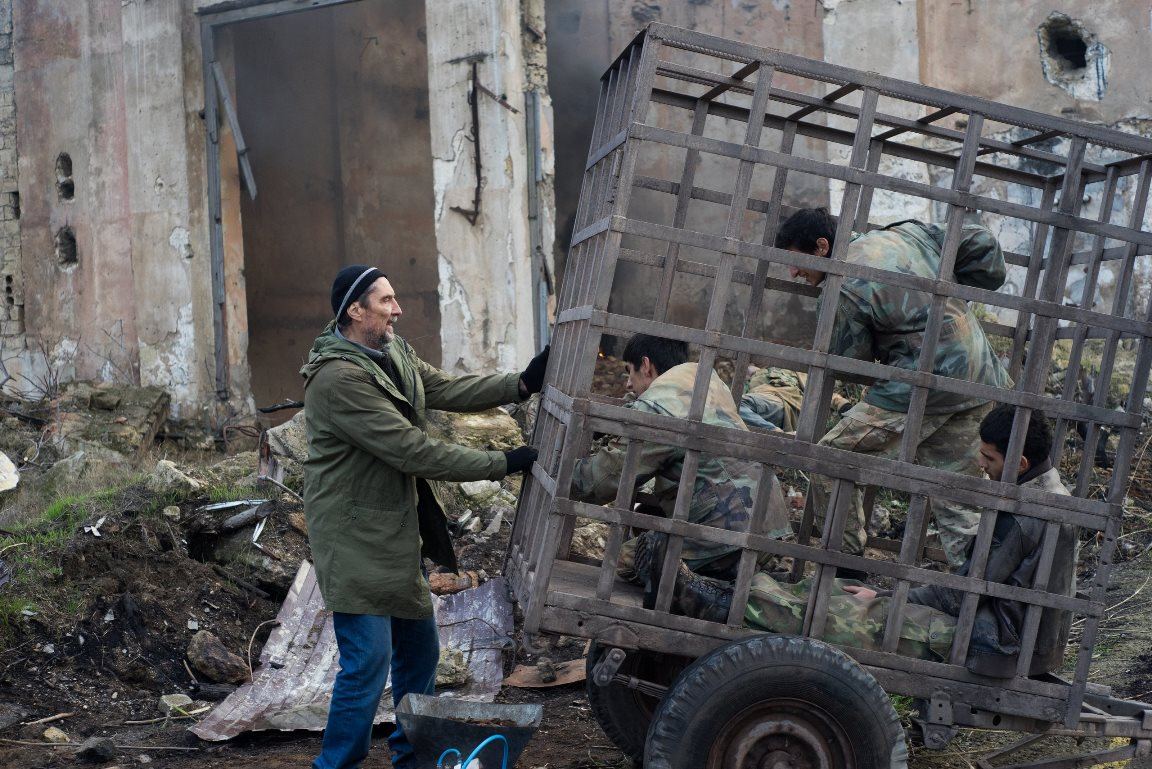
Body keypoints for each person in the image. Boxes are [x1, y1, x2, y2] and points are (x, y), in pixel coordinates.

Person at [301, 265, 548, 769]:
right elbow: (411, 450)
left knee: (419, 653)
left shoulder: (390, 351)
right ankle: (335, 765)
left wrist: (520, 384)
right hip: (352, 537)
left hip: (394, 529)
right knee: (367, 663)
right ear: (355, 310)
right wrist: (501, 462)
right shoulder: (338, 379)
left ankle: (412, 758)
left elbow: (443, 388)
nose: (397, 310)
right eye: (386, 301)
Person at [676, 404, 1077, 676]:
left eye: (989, 459)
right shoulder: (1046, 493)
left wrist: (887, 597)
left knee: (844, 614)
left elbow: (961, 595)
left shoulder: (1025, 515)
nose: (981, 465)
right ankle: (732, 594)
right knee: (838, 592)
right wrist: (885, 594)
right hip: (1002, 629)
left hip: (995, 642)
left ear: (1020, 463)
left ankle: (721, 604)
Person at [779, 208, 1012, 569]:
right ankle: (978, 582)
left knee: (830, 460)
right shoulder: (903, 233)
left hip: (922, 384)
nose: (793, 273)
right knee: (957, 496)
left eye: (796, 261)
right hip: (980, 373)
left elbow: (850, 361)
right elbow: (981, 243)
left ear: (822, 247)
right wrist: (951, 295)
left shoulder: (842, 285)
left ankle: (846, 567)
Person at [570, 334, 791, 595]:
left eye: (629, 371)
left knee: (626, 559)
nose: (628, 383)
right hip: (769, 522)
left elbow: (598, 482)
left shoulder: (658, 408)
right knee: (650, 519)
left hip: (728, 533)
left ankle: (719, 593)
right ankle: (742, 576)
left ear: (646, 365)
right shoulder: (706, 381)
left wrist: (554, 467)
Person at [739, 364, 851, 432]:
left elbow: (818, 391)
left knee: (737, 404)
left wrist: (842, 404)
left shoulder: (786, 371)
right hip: (760, 411)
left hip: (780, 400)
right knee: (734, 410)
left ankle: (774, 432)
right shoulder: (748, 384)